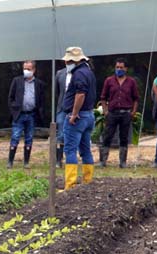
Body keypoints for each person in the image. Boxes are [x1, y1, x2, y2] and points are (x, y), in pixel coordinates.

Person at [61, 47, 96, 191]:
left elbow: (80, 94)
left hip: (78, 117)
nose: (66, 63)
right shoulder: (88, 72)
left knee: (70, 150)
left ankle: (70, 185)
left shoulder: (79, 74)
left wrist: (74, 114)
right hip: (89, 115)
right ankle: (88, 182)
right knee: (85, 150)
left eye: (68, 61)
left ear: (73, 61)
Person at [99, 57, 139, 168]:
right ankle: (103, 160)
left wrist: (133, 112)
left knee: (124, 137)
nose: (119, 69)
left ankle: (122, 161)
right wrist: (105, 110)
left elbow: (136, 98)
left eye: (121, 67)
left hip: (126, 113)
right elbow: (103, 97)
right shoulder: (109, 81)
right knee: (107, 136)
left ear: (126, 69)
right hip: (112, 112)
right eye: (117, 67)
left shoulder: (131, 82)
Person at [7, 60, 45, 168]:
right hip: (19, 114)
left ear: (34, 70)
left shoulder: (39, 84)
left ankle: (26, 162)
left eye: (28, 69)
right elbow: (10, 97)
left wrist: (40, 112)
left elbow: (41, 100)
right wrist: (14, 110)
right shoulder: (17, 81)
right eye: (24, 68)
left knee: (29, 137)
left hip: (31, 114)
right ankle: (10, 161)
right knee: (15, 136)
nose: (26, 71)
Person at [55, 65, 68, 168]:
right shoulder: (60, 73)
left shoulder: (79, 73)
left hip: (75, 109)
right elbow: (57, 92)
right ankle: (58, 160)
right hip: (62, 108)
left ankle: (70, 159)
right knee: (60, 135)